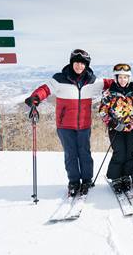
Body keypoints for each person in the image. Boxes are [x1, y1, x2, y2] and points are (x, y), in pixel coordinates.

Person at [24, 49, 113, 197]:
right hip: (64, 125)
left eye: (83, 63)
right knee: (70, 154)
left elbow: (111, 83)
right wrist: (35, 97)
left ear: (86, 65)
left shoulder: (92, 81)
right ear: (72, 63)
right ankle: (73, 182)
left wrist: (132, 85)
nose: (79, 66)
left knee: (84, 153)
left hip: (84, 125)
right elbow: (45, 89)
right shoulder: (59, 79)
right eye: (77, 62)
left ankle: (86, 180)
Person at [98, 63, 133, 194]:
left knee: (129, 153)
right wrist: (113, 124)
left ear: (129, 78)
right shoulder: (109, 93)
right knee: (119, 152)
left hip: (131, 128)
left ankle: (126, 176)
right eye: (120, 77)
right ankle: (116, 177)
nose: (123, 80)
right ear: (116, 78)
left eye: (125, 77)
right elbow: (103, 111)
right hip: (116, 129)